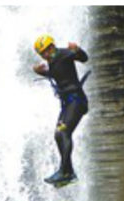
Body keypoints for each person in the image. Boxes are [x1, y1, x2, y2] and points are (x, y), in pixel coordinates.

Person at [33, 34, 89, 187]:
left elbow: (84, 58)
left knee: (63, 132)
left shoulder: (64, 53)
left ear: (52, 46)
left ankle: (64, 171)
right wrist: (41, 72)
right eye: (42, 53)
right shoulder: (52, 61)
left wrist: (77, 49)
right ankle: (68, 172)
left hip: (77, 101)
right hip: (68, 104)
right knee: (59, 135)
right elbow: (58, 74)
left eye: (46, 50)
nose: (45, 54)